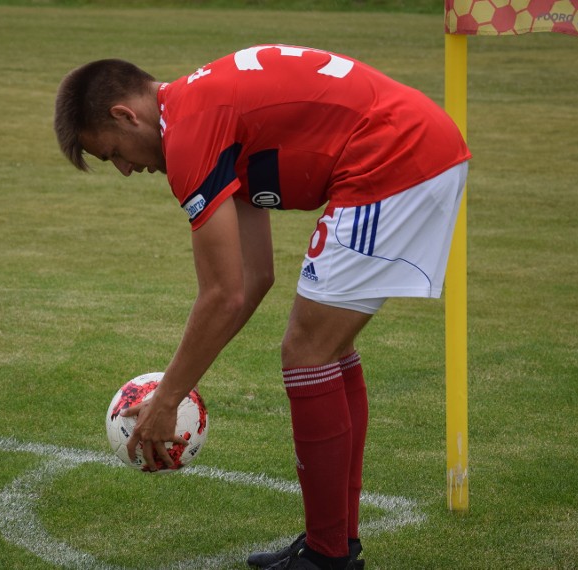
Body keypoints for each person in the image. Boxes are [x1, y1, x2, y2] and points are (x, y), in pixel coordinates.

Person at [54, 44, 470, 570]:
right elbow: (253, 279)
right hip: (411, 148)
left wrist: (166, 399)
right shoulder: (202, 113)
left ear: (125, 115)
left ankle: (327, 556)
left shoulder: (189, 135)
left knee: (307, 354)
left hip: (393, 159)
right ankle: (335, 545)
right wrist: (173, 388)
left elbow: (223, 294)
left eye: (113, 151)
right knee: (325, 350)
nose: (124, 169)